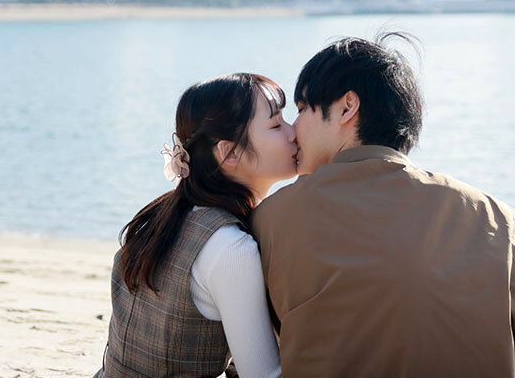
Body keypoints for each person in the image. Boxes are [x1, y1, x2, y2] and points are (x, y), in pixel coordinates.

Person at [251, 34, 515, 377]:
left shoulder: (272, 219)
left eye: (301, 110)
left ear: (347, 107)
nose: (293, 129)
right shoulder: (498, 218)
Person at [94, 73, 295, 378]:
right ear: (230, 153)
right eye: (276, 125)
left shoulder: (162, 214)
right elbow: (263, 375)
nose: (293, 132)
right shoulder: (230, 247)